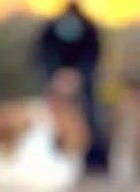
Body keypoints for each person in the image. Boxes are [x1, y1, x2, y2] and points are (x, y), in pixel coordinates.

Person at [35, 1, 106, 172]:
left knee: (91, 114)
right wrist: (56, 74)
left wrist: (78, 74)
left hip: (82, 81)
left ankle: (94, 162)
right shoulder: (51, 28)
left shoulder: (89, 28)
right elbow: (44, 54)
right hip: (55, 79)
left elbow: (92, 56)